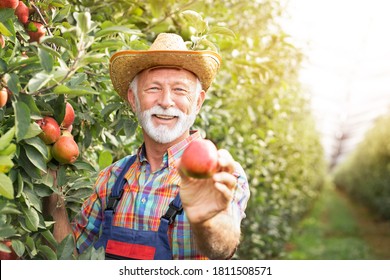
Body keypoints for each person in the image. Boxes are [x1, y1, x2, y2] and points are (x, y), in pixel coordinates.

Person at [46, 33, 250, 260]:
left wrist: (209, 219)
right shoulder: (111, 180)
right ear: (133, 99)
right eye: (153, 88)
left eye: (180, 90)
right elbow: (69, 258)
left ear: (198, 102)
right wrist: (52, 185)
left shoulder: (218, 173)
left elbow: (222, 248)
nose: (165, 101)